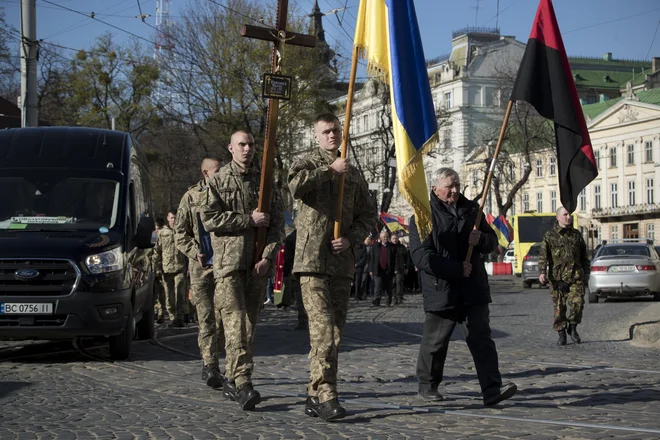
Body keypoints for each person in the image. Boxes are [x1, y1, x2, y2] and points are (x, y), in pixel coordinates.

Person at [288, 113, 377, 422]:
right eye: (325, 131)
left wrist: (352, 239)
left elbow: (369, 214)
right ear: (316, 136)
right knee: (323, 330)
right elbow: (295, 187)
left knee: (334, 334)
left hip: (340, 262)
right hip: (311, 262)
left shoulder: (353, 172)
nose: (331, 136)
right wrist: (329, 170)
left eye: (336, 130)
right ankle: (328, 396)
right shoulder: (307, 162)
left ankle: (314, 394)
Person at [408, 167, 517, 405]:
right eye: (449, 186)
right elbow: (421, 256)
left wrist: (482, 241)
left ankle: (492, 389)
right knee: (435, 342)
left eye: (457, 185)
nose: (455, 191)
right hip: (442, 289)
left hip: (473, 288)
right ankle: (427, 386)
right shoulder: (422, 215)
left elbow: (492, 242)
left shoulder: (472, 210)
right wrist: (455, 269)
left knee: (482, 339)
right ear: (436, 189)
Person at [201, 130, 284, 411]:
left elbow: (276, 226)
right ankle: (244, 382)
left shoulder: (265, 183)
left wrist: (268, 257)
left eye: (250, 144)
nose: (247, 149)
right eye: (241, 144)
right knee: (235, 322)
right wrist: (247, 220)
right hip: (228, 266)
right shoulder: (219, 180)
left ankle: (232, 378)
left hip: (256, 266)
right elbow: (210, 219)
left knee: (248, 328)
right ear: (231, 147)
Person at [174, 156, 226, 389]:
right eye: (216, 171)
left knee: (226, 318)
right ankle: (210, 364)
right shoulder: (191, 197)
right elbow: (180, 234)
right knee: (206, 318)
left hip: (225, 266)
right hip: (201, 268)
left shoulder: (228, 194)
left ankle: (224, 359)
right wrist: (194, 251)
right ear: (206, 173)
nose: (221, 174)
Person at [538, 206, 590, 346]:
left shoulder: (576, 235)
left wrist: (587, 272)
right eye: (565, 214)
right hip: (558, 278)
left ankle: (572, 328)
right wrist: (542, 272)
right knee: (559, 308)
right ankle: (561, 332)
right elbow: (543, 255)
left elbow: (584, 255)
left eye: (570, 214)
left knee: (578, 304)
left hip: (576, 276)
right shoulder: (550, 236)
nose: (568, 217)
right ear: (558, 217)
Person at [153, 209, 188, 328]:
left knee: (180, 293)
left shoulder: (182, 231)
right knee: (169, 295)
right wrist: (155, 266)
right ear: (167, 218)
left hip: (180, 267)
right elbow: (157, 250)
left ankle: (179, 318)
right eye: (171, 218)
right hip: (166, 269)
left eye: (175, 218)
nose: (173, 220)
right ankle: (172, 317)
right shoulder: (162, 233)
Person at [283, 229, 307, 330]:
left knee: (300, 298)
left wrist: (286, 271)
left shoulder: (291, 238)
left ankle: (303, 322)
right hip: (313, 270)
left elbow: (288, 257)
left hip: (298, 270)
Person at [370, 230, 396, 307]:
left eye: (387, 236)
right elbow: (371, 259)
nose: (386, 238)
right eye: (384, 237)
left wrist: (395, 269)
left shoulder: (392, 246)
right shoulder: (375, 247)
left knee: (388, 287)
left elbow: (395, 258)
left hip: (388, 270)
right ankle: (376, 301)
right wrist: (371, 270)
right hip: (378, 270)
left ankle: (388, 301)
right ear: (380, 238)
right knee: (378, 286)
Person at [152, 217, 167, 323]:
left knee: (161, 292)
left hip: (161, 268)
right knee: (154, 292)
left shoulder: (164, 236)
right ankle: (156, 311)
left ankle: (161, 313)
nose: (158, 231)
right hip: (152, 268)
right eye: (156, 229)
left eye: (159, 229)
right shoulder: (153, 236)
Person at [391, 233, 409, 305]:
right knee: (393, 284)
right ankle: (393, 297)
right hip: (391, 268)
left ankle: (399, 297)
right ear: (391, 239)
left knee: (399, 283)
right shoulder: (389, 247)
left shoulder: (402, 247)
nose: (395, 240)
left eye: (396, 238)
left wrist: (406, 267)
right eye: (393, 239)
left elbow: (407, 258)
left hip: (400, 268)